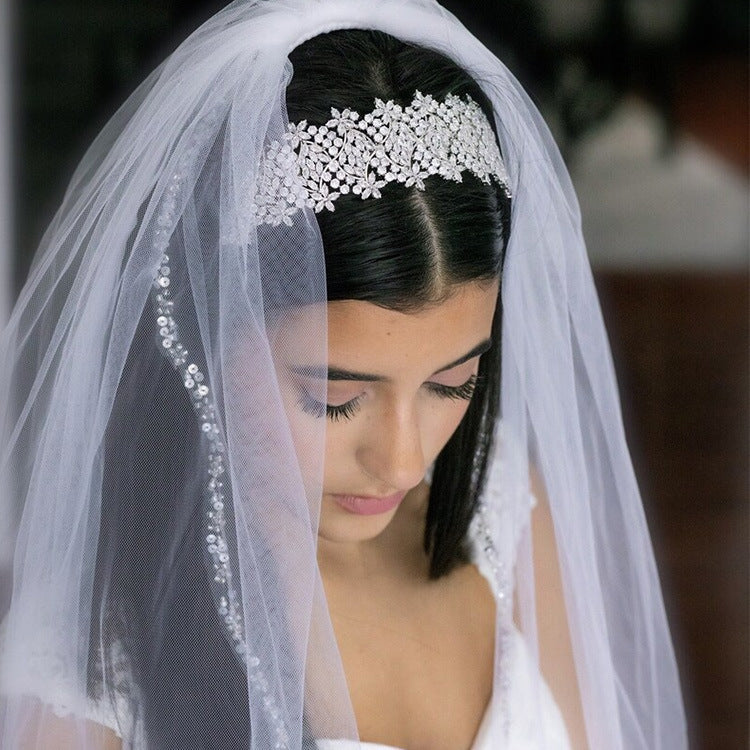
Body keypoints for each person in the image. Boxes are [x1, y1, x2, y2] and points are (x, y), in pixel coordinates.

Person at [0, 1, 688, 748]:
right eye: (333, 399)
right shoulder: (101, 644)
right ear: (203, 326)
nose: (402, 460)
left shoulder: (508, 517)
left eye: (452, 383)